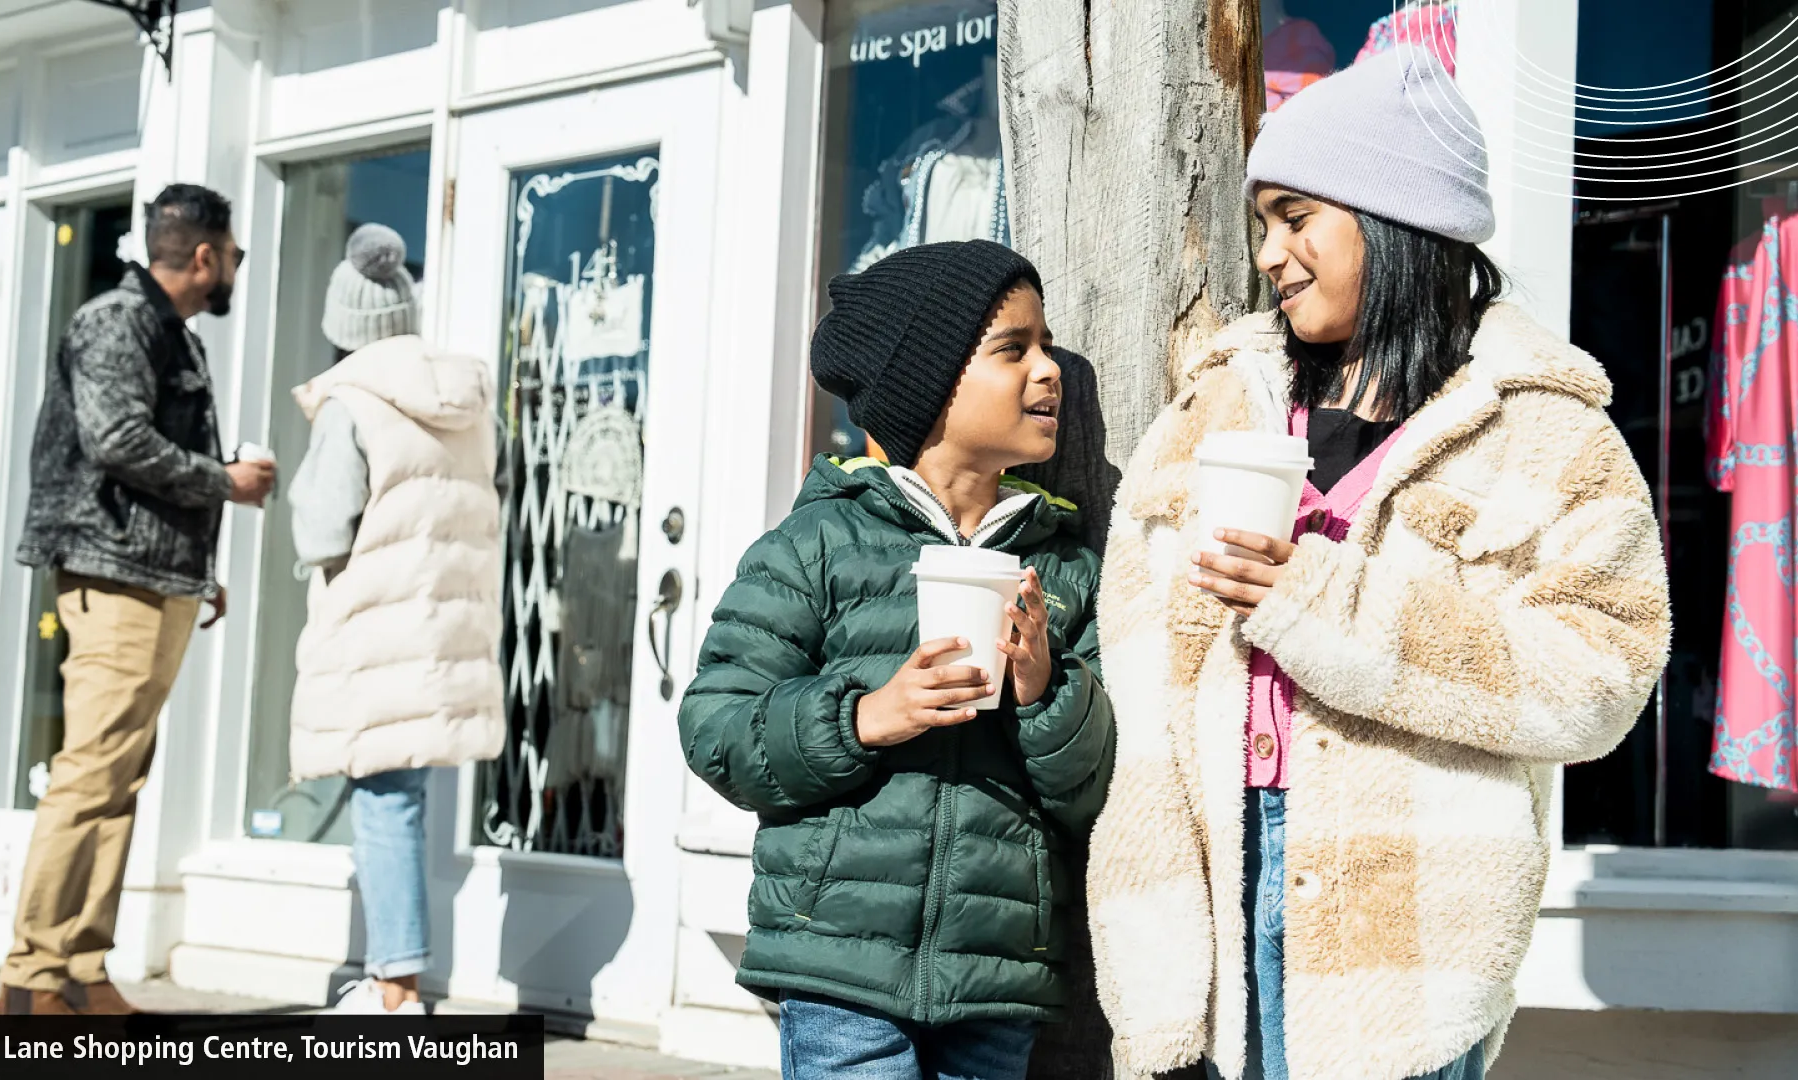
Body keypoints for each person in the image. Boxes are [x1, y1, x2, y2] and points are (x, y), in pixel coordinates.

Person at [1086, 52, 1670, 1080]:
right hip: (1214, 889)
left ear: (1395, 222)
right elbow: (1143, 699)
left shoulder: (1540, 429)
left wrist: (1324, 602)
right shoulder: (1214, 410)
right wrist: (1153, 983)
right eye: (1261, 221)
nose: (1269, 252)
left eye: (1296, 216)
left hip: (1410, 920)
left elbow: (1599, 681)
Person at [679, 240, 1116, 1080]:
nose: (1049, 369)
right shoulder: (817, 546)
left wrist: (1043, 689)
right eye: (1012, 349)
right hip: (838, 966)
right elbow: (716, 727)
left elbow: (1094, 785)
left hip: (999, 973)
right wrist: (861, 718)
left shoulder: (1062, 568)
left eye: (1047, 345)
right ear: (928, 383)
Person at [2, 183, 275, 1015]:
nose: (234, 267)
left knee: (119, 778)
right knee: (89, 775)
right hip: (112, 571)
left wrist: (200, 568)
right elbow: (116, 439)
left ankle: (80, 971)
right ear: (202, 256)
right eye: (231, 253)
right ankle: (28, 982)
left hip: (157, 574)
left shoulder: (172, 334)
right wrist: (224, 482)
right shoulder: (116, 321)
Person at [287, 224, 507, 1015]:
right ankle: (395, 978)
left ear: (342, 328)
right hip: (445, 628)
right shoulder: (471, 402)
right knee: (402, 795)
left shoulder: (350, 404)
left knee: (383, 797)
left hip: (378, 630)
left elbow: (320, 528)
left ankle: (394, 992)